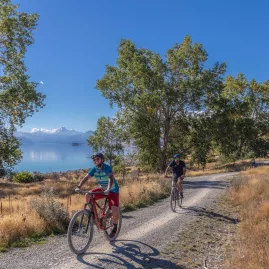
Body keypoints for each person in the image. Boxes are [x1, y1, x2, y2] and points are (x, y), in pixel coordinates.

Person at [75, 153, 120, 238]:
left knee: (114, 210)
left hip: (113, 190)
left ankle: (115, 227)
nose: (96, 161)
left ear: (102, 159)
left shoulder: (107, 168)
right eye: (94, 160)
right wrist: (79, 186)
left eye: (97, 159)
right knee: (88, 195)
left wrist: (108, 189)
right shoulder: (94, 169)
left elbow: (111, 178)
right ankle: (93, 215)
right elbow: (86, 178)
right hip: (103, 189)